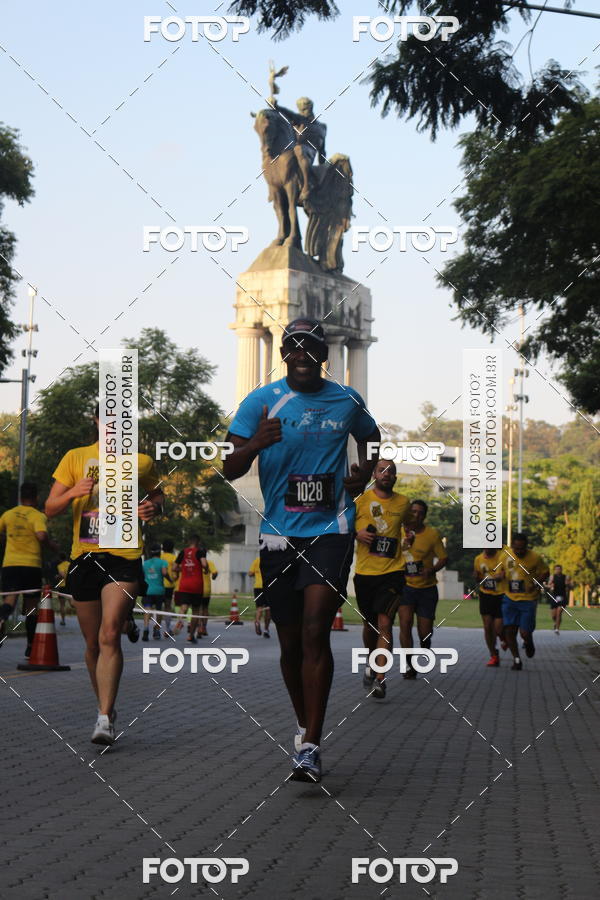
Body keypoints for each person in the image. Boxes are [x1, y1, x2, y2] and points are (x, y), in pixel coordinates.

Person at [223, 317, 379, 782]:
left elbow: (371, 436)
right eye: (293, 347)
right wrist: (255, 443)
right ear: (283, 355)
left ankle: (311, 743)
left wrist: (363, 472)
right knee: (290, 642)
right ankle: (302, 722)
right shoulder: (261, 401)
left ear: (324, 356)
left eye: (310, 347)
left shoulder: (347, 399)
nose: (301, 355)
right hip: (278, 535)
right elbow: (229, 468)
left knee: (315, 630)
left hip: (331, 529)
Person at [45, 404, 164, 745]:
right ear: (97, 421)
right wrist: (72, 492)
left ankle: (103, 717)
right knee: (92, 644)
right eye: (107, 419)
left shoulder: (141, 461)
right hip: (84, 557)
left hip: (124, 557)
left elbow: (158, 496)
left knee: (109, 634)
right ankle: (106, 709)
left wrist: (153, 508)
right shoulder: (75, 457)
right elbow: (50, 508)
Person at [353, 459, 410, 699]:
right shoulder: (360, 500)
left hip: (392, 572)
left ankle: (380, 678)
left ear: (395, 477)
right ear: (374, 475)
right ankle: (371, 658)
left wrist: (409, 538)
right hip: (365, 573)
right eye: (381, 470)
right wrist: (357, 534)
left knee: (385, 623)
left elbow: (408, 526)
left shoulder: (404, 502)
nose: (386, 474)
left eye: (391, 471)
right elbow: (342, 526)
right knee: (370, 626)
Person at [0, 482, 57, 655]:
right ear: (36, 498)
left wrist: (5, 542)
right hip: (31, 565)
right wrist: (52, 546)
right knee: (31, 608)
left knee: (9, 601)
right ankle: (30, 647)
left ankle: (1, 619)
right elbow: (41, 535)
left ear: (20, 497)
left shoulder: (8, 515)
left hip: (10, 565)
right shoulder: (37, 516)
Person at [398, 500, 448, 679]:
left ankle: (424, 648)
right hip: (404, 587)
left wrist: (431, 570)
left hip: (427, 588)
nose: (416, 515)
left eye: (420, 512)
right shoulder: (398, 532)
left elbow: (443, 558)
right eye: (413, 511)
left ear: (424, 516)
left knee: (425, 632)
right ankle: (409, 664)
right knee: (405, 624)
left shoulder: (432, 534)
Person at [501, 533, 549, 670]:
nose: (519, 551)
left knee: (525, 633)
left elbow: (545, 572)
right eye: (517, 548)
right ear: (512, 546)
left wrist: (535, 583)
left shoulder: (535, 557)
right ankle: (516, 660)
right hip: (509, 598)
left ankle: (528, 642)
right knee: (509, 631)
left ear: (526, 546)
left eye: (522, 548)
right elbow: (500, 571)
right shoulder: (505, 556)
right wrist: (500, 575)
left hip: (528, 600)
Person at [473, 547, 507, 666]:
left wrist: (501, 576)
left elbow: (505, 574)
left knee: (498, 628)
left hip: (501, 595)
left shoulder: (502, 557)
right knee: (487, 627)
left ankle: (504, 638)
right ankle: (493, 655)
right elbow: (478, 577)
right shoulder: (478, 559)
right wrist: (477, 577)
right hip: (486, 595)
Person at [172, 535, 208, 644]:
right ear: (198, 542)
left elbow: (174, 567)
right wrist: (206, 569)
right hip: (197, 585)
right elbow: (204, 564)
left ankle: (180, 620)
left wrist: (183, 568)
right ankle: (191, 635)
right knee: (196, 611)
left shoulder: (183, 552)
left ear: (189, 541)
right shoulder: (200, 552)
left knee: (184, 606)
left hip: (184, 585)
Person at [142, 545, 168, 641]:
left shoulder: (145, 563)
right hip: (159, 591)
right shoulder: (163, 562)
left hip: (147, 590)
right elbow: (164, 573)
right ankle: (156, 631)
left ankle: (146, 629)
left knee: (147, 609)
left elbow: (142, 575)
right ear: (159, 552)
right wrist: (169, 579)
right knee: (158, 610)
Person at [249, 555, 271, 638]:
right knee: (268, 609)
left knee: (259, 607)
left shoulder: (257, 560)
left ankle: (257, 622)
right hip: (268, 586)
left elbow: (250, 573)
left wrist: (256, 573)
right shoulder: (271, 560)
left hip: (258, 587)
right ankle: (266, 630)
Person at [546, 564, 571, 634]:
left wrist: (568, 584)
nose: (558, 570)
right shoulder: (552, 577)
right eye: (556, 569)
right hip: (554, 596)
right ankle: (555, 623)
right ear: (555, 570)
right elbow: (549, 585)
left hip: (563, 597)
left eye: (559, 569)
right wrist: (550, 586)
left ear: (561, 570)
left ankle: (557, 629)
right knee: (553, 615)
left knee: (559, 613)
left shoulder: (565, 577)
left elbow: (570, 586)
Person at [160, 539, 177, 637]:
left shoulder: (159, 557)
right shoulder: (174, 557)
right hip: (169, 585)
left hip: (159, 584)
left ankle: (156, 629)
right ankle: (168, 629)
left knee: (158, 608)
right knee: (167, 607)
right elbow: (176, 570)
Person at [199, 556, 218, 637]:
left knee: (198, 609)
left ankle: (199, 627)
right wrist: (213, 578)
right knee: (205, 608)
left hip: (197, 588)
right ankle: (204, 628)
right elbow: (215, 573)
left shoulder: (196, 563)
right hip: (207, 589)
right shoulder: (209, 563)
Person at [56, 551, 72, 626]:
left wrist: (58, 576)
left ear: (59, 559)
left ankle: (63, 621)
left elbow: (62, 575)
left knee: (62, 605)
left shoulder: (60, 566)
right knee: (73, 603)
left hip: (63, 586)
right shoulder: (70, 564)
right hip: (70, 585)